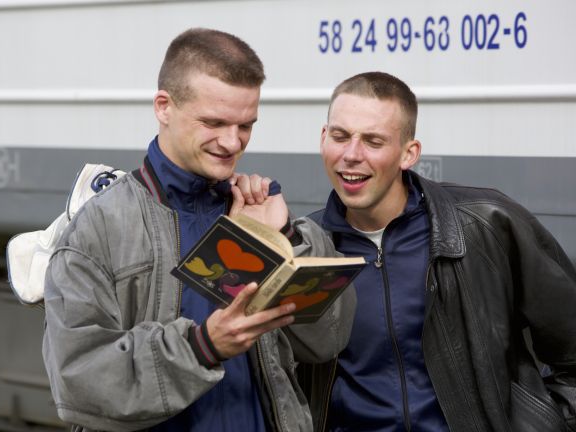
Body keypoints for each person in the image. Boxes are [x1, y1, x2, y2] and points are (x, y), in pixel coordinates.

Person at [42, 28, 355, 432]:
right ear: (163, 106)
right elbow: (76, 381)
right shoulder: (99, 229)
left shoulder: (253, 209)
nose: (232, 142)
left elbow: (326, 341)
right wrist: (202, 348)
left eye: (246, 125)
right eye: (214, 122)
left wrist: (286, 238)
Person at [303, 71, 576, 431]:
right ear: (324, 139)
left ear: (408, 153)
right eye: (340, 136)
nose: (351, 155)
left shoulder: (486, 224)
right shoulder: (309, 248)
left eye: (373, 141)